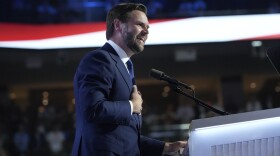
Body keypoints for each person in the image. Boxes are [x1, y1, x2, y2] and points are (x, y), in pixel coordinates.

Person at [71, 3, 187, 156]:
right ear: (118, 25)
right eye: (140, 25)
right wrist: (132, 106)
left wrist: (166, 147)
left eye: (147, 27)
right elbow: (93, 110)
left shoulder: (126, 65)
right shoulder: (99, 59)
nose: (146, 32)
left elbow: (123, 137)